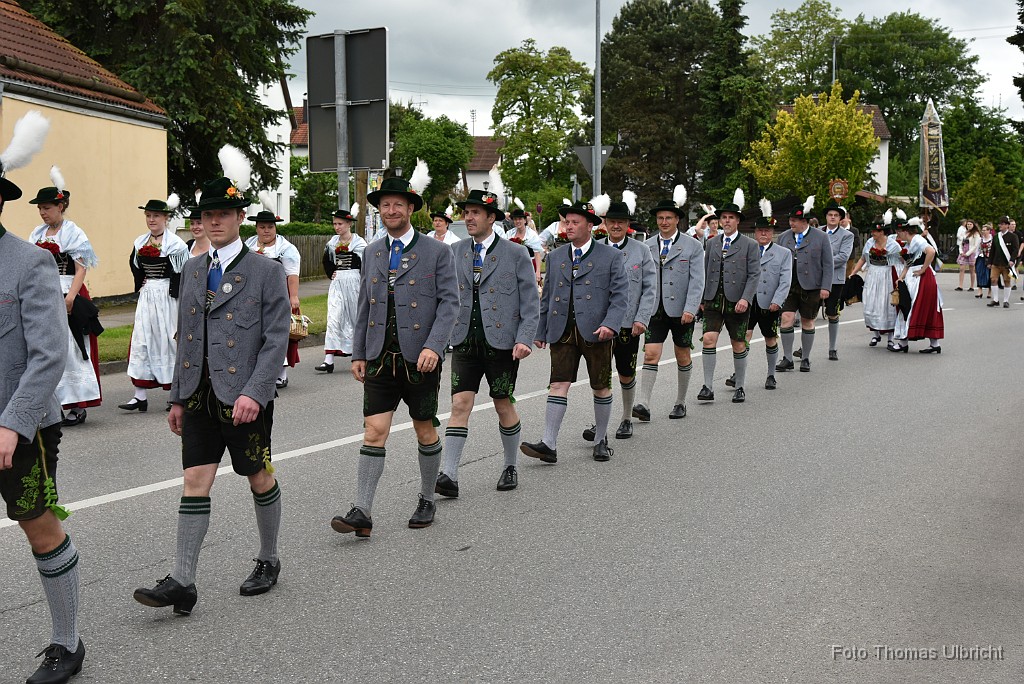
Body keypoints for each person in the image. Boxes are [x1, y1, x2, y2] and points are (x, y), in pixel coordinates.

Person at [133, 162, 291, 613]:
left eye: (225, 212)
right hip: (200, 394)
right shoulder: (194, 269)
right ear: (199, 221)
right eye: (208, 214)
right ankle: (183, 579)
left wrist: (255, 393)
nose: (215, 220)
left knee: (258, 476)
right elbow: (187, 336)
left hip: (243, 397)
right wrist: (178, 397)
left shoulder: (265, 271)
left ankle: (268, 557)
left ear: (240, 217)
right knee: (194, 480)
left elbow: (275, 339)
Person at [1, 111, 86, 684]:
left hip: (21, 427)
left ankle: (67, 642)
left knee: (39, 527)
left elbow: (50, 355)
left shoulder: (29, 262)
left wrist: (11, 421)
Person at [331, 163, 458, 537]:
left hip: (420, 357)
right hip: (379, 356)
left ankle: (426, 497)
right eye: (385, 205)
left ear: (410, 208)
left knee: (424, 430)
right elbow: (365, 306)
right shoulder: (370, 252)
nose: (391, 211)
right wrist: (357, 353)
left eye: (398, 205)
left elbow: (451, 303)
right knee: (374, 431)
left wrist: (435, 346)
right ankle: (362, 511)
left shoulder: (436, 251)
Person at [435, 184, 539, 496]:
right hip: (465, 340)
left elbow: (530, 302)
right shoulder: (454, 251)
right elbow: (444, 298)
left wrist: (525, 338)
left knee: (502, 403)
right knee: (459, 403)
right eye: (466, 213)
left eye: (475, 213)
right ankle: (449, 475)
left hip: (502, 343)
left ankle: (510, 465)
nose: (468, 218)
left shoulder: (516, 253)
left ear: (491, 217)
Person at [520, 199, 627, 463]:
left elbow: (620, 296)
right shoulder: (555, 256)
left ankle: (601, 439)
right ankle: (548, 443)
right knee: (558, 384)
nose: (568, 226)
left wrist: (611, 324)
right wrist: (541, 330)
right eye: (567, 221)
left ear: (590, 226)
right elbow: (547, 297)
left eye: (575, 222)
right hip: (562, 329)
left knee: (601, 386)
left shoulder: (611, 256)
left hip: (597, 331)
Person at [28, 167, 102, 426]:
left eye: (46, 207)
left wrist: (70, 298)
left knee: (72, 348)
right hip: (44, 292)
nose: (42, 212)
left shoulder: (73, 232)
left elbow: (82, 267)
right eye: (40, 208)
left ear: (60, 206)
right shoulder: (37, 233)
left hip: (68, 289)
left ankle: (76, 405)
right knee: (45, 347)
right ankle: (51, 402)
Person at [581, 191, 656, 440]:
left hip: (627, 324)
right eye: (611, 221)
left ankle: (625, 418)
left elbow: (649, 288)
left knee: (625, 372)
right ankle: (600, 423)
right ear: (604, 223)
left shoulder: (641, 251)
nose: (616, 226)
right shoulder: (594, 249)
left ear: (627, 225)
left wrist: (642, 318)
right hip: (599, 324)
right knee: (600, 375)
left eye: (621, 222)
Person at [633, 185, 705, 421]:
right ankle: (643, 403)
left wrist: (691, 308)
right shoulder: (647, 246)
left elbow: (697, 281)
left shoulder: (693, 246)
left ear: (677, 220)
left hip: (681, 311)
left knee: (682, 354)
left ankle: (680, 402)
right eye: (660, 218)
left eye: (668, 218)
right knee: (651, 354)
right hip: (654, 309)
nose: (664, 222)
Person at [120, 196, 190, 412]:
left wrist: (177, 297)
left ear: (166, 218)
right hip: (148, 294)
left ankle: (174, 395)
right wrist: (140, 284)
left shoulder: (176, 244)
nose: (151, 220)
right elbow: (135, 267)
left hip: (168, 295)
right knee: (142, 339)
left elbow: (182, 273)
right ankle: (139, 395)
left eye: (156, 216)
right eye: (148, 216)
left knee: (168, 340)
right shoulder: (139, 242)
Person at [698, 190, 759, 404]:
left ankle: (740, 386)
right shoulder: (712, 243)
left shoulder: (750, 245)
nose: (726, 221)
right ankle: (707, 386)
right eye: (723, 217)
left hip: (737, 300)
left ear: (737, 221)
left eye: (730, 217)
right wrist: (702, 298)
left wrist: (746, 298)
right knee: (708, 339)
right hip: (713, 298)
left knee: (738, 344)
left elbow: (754, 275)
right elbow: (705, 270)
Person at [727, 200, 792, 391]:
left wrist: (777, 301)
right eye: (760, 231)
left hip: (768, 302)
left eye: (768, 231)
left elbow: (785, 280)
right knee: (742, 337)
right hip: (747, 300)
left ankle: (771, 374)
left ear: (773, 233)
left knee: (770, 338)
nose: (764, 234)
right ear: (755, 233)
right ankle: (738, 373)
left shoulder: (783, 253)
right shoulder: (747, 249)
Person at [774, 196, 833, 373]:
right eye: (790, 220)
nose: (791, 223)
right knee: (786, 319)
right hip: (789, 285)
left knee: (807, 321)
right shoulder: (784, 237)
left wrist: (826, 287)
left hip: (812, 285)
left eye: (794, 220)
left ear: (804, 221)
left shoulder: (821, 237)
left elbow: (828, 264)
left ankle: (806, 358)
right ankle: (787, 358)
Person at [245, 209, 300, 388]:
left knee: (277, 334)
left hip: (277, 296)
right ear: (256, 228)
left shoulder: (286, 249)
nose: (266, 230)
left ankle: (281, 375)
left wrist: (293, 297)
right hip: (253, 296)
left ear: (275, 228)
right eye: (262, 227)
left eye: (270, 227)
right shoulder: (248, 245)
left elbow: (292, 275)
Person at [318, 206, 367, 372]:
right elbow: (326, 261)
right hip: (338, 282)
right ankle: (328, 359)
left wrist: (363, 280)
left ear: (348, 224)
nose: (337, 227)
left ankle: (361, 353)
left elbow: (366, 264)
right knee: (333, 317)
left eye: (340, 224)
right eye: (335, 224)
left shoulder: (359, 243)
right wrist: (331, 273)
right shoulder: (332, 243)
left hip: (354, 281)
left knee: (356, 317)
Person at [849, 213, 901, 347]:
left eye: (875, 231)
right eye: (872, 230)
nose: (872, 233)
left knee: (885, 305)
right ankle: (876, 335)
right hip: (872, 275)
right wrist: (853, 273)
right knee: (871, 303)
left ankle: (890, 338)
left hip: (886, 275)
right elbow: (863, 259)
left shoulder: (893, 245)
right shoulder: (870, 243)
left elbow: (901, 261)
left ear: (882, 232)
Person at [892, 218, 944, 352]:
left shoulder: (917, 240)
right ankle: (933, 344)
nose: (897, 235)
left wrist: (923, 269)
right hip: (913, 277)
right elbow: (908, 264)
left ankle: (905, 343)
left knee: (913, 306)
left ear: (904, 231)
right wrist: (901, 278)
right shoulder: (909, 243)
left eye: (898, 232)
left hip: (921, 279)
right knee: (909, 305)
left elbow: (931, 252)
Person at [816, 200, 854, 361]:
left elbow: (843, 257)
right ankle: (804, 346)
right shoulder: (816, 232)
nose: (832, 217)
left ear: (840, 218)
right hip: (815, 278)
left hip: (835, 279)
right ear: (825, 217)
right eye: (830, 215)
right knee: (808, 314)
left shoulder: (847, 235)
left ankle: (832, 347)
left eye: (836, 215)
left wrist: (821, 262)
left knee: (832, 312)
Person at [504, 205, 544, 285]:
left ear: (525, 220)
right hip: (513, 266)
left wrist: (538, 272)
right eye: (515, 219)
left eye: (520, 219)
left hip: (529, 265)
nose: (517, 221)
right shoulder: (509, 234)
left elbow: (537, 254)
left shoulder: (531, 235)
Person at [987, 216, 1019, 309]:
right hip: (996, 263)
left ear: (1007, 225)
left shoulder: (1013, 236)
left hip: (1007, 264)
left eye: (1002, 224)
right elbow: (992, 250)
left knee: (1006, 281)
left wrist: (1012, 260)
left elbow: (1015, 250)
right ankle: (995, 300)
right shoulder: (996, 236)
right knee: (993, 280)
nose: (1000, 225)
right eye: (999, 224)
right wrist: (990, 261)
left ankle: (1006, 301)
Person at [955, 220, 980, 291]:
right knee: (962, 268)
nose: (969, 225)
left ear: (973, 225)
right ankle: (960, 285)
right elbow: (961, 243)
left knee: (972, 269)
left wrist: (968, 253)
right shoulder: (965, 232)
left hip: (971, 252)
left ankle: (972, 286)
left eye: (970, 224)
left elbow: (975, 246)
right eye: (968, 224)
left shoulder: (976, 234)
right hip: (964, 251)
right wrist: (961, 251)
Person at [975, 223, 993, 299]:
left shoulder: (993, 239)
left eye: (985, 230)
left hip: (990, 258)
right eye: (982, 230)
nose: (983, 231)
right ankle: (980, 290)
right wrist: (975, 257)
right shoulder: (980, 239)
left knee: (989, 275)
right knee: (979, 273)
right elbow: (977, 249)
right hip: (981, 257)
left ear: (989, 231)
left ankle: (990, 291)